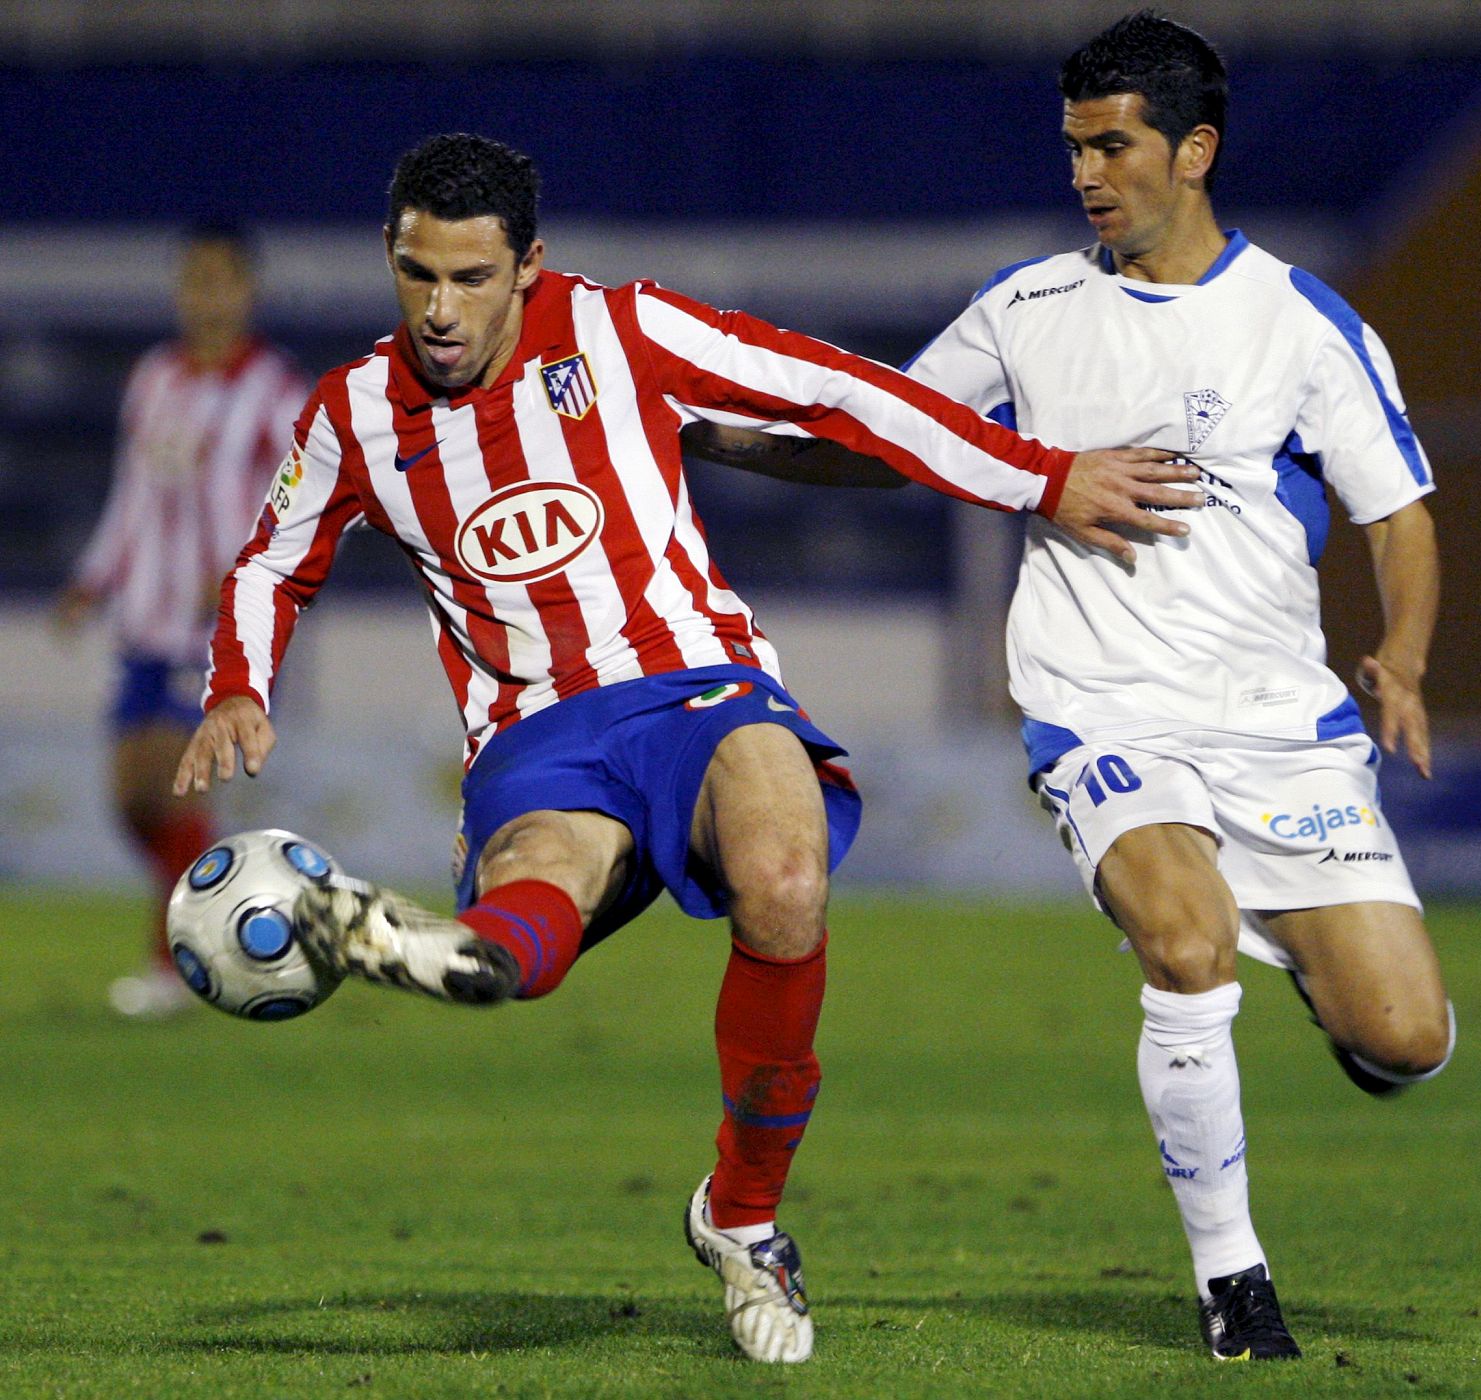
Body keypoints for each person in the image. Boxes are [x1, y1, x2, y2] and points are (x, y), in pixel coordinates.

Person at [171, 133, 1197, 1364]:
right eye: (416, 275)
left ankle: (743, 1215)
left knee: (786, 874)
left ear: (529, 266)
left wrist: (1040, 475)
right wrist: (237, 683)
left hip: (696, 681)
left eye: (471, 280)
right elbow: (272, 558)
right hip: (535, 727)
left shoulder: (625, 330)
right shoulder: (351, 415)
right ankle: (422, 944)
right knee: (522, 937)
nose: (440, 312)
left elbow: (838, 390)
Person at [695, 8, 1455, 1365]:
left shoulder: (1300, 324)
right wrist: (732, 446)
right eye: (1075, 148)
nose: (1089, 174)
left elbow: (1399, 511)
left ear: (1196, 150)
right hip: (1103, 709)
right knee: (1183, 945)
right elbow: (897, 437)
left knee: (1408, 1039)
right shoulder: (1028, 310)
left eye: (1115, 146)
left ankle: (1332, 987)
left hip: (1282, 729)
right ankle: (1236, 1289)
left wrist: (1400, 655)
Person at [58, 223, 308, 1019]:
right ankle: (238, 908)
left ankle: (171, 966)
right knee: (128, 799)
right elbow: (132, 497)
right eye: (194, 280)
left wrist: (247, 568)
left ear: (247, 290)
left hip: (214, 631)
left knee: (171, 788)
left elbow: (303, 504)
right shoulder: (153, 378)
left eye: (221, 280)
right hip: (144, 619)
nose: (206, 295)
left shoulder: (275, 391)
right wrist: (93, 581)